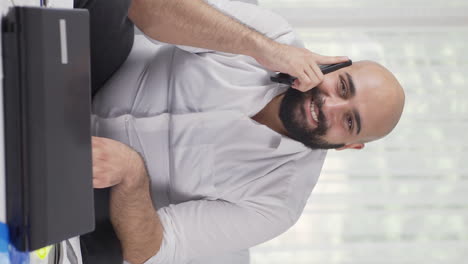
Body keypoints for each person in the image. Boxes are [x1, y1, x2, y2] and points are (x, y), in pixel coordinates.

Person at [87, 0, 405, 264]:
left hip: (101, 185)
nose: (329, 105)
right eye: (343, 86)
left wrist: (132, 174)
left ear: (349, 146)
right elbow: (145, 9)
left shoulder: (279, 202)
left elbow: (152, 248)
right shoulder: (277, 36)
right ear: (335, 65)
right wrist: (260, 47)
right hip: (98, 71)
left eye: (349, 121)